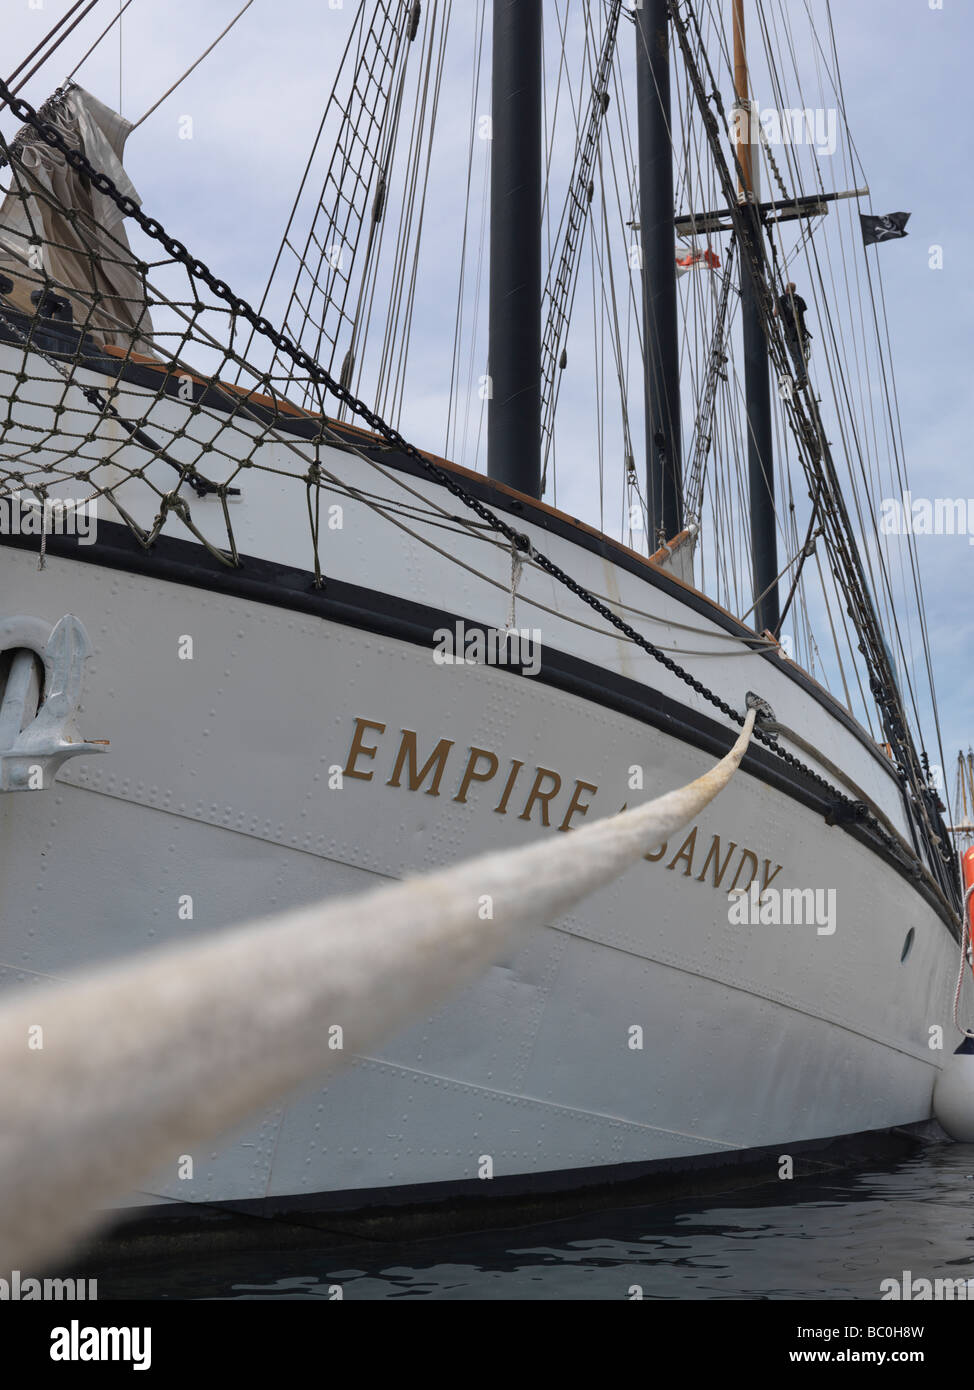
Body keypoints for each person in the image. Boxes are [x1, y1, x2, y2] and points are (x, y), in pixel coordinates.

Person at [774, 282, 811, 388]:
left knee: (795, 355)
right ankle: (803, 375)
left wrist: (775, 304)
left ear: (786, 289)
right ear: (794, 290)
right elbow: (802, 312)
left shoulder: (781, 299)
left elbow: (775, 314)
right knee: (800, 354)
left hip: (790, 331)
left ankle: (802, 376)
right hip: (801, 331)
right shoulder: (800, 300)